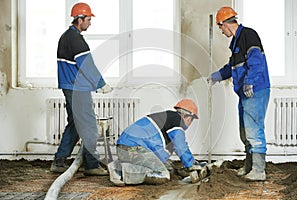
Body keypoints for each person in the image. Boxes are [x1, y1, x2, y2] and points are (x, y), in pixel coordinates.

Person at [207, 6, 270, 181]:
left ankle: (259, 170)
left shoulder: (248, 35)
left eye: (220, 27)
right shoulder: (235, 43)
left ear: (224, 23)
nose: (220, 31)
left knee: (253, 129)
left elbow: (256, 61)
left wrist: (250, 82)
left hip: (255, 90)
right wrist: (216, 76)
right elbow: (232, 68)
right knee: (245, 131)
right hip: (244, 93)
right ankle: (249, 166)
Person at [50, 2, 113, 176]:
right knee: (89, 125)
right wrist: (101, 84)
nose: (90, 23)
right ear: (80, 19)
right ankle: (92, 165)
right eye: (88, 19)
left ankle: (59, 161)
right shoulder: (76, 39)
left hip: (69, 87)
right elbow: (87, 66)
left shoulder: (66, 37)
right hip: (77, 90)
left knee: (75, 125)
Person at [107, 99, 205, 186]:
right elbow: (180, 146)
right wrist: (190, 165)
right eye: (191, 120)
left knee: (168, 168)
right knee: (163, 174)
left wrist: (190, 162)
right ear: (188, 117)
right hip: (133, 148)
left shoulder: (166, 119)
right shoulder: (177, 120)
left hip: (127, 148)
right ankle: (120, 171)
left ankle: (121, 165)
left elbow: (159, 154)